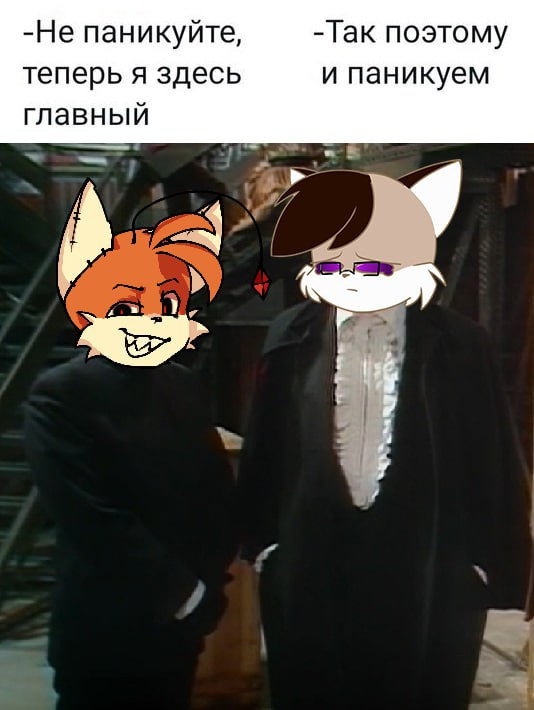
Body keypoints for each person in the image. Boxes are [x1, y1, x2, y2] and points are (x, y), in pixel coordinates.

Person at [238, 163, 531, 709]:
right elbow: (267, 444)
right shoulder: (290, 335)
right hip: (312, 552)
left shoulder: (461, 343)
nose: (354, 277)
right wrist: (263, 543)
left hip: (426, 558)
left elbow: (491, 453)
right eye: (337, 262)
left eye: (374, 264)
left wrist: (494, 562)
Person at [24, 180, 237, 710]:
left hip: (178, 631)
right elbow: (93, 519)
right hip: (105, 635)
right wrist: (187, 592)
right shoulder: (59, 394)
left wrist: (211, 580)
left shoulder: (180, 382)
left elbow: (210, 488)